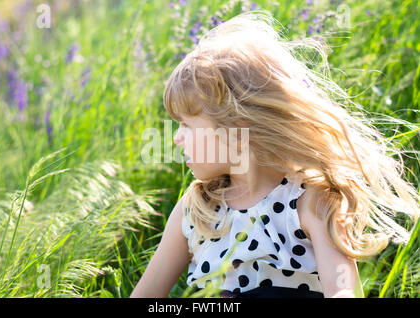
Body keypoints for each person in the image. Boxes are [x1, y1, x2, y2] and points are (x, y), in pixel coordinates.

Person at [130, 11, 419, 298]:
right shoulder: (196, 210)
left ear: (236, 130)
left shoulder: (310, 201)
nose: (177, 138)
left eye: (186, 125)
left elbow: (343, 291)